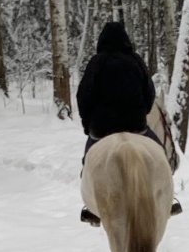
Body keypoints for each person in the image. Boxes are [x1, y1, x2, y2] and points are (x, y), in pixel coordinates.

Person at [75, 21, 180, 224]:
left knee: (87, 160)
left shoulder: (96, 63)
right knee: (159, 153)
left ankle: (91, 207)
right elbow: (149, 93)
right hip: (136, 125)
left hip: (101, 128)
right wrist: (141, 111)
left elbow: (83, 96)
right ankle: (168, 199)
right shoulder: (136, 61)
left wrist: (88, 126)